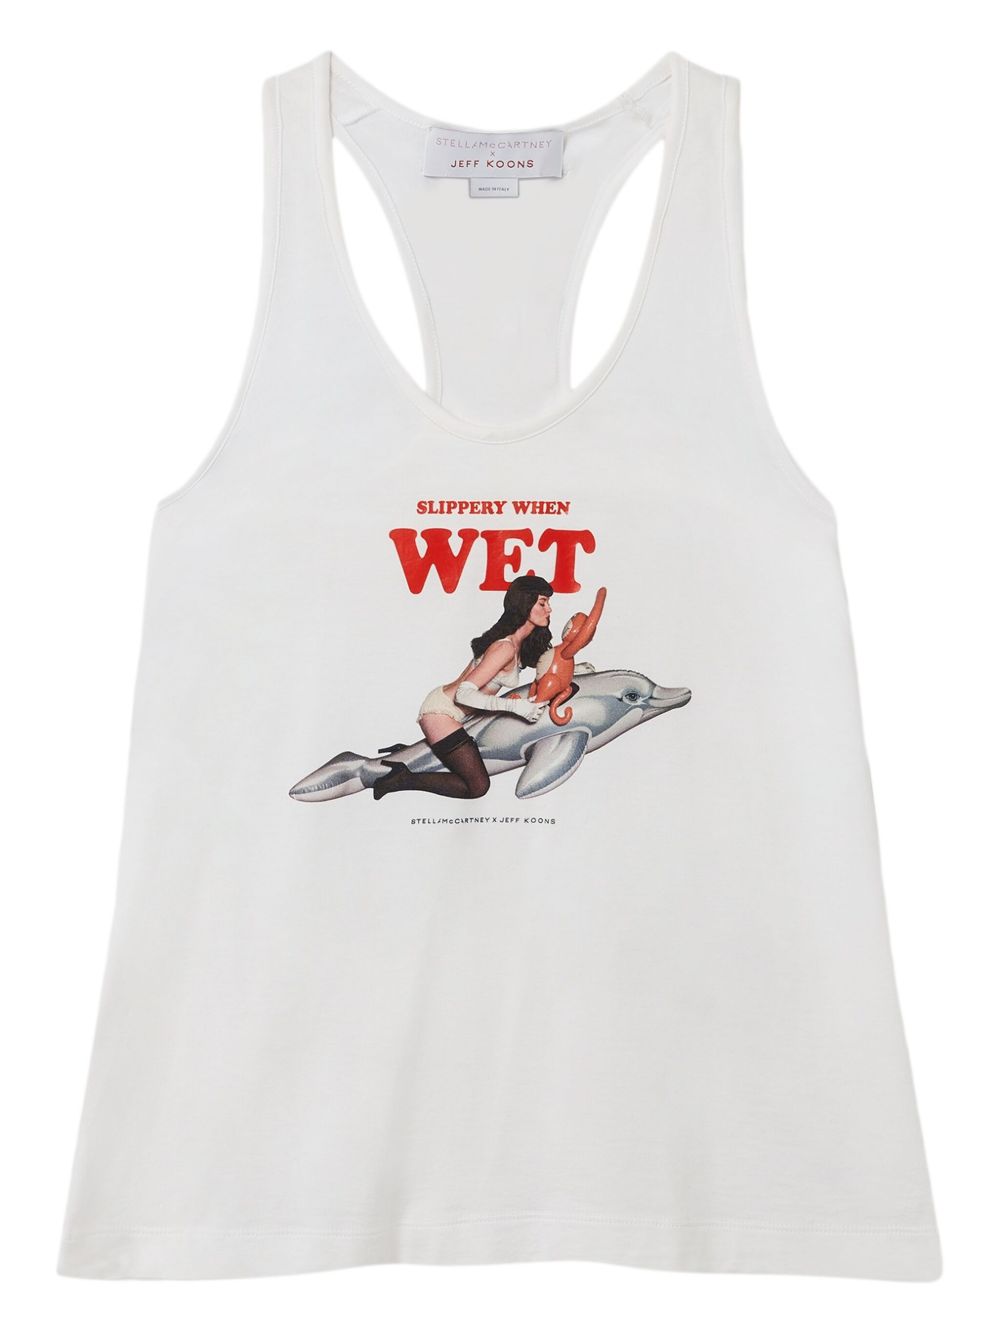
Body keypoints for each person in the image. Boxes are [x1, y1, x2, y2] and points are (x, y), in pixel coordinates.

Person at [372, 575, 553, 800]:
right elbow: (463, 693)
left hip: (458, 714)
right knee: (478, 786)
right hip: (441, 712)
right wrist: (514, 707)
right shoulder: (505, 647)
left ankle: (411, 754)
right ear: (524, 604)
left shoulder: (517, 644)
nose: (549, 609)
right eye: (542, 603)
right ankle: (402, 778)